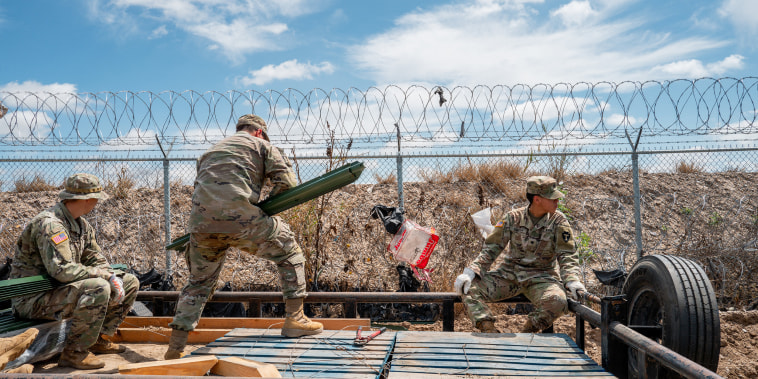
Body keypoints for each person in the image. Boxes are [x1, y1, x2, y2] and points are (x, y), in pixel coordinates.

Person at [165, 114, 322, 360]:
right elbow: (288, 184)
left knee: (198, 283)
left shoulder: (209, 153)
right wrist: (266, 206)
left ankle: (175, 347)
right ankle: (295, 320)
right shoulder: (263, 146)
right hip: (243, 220)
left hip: (201, 225)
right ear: (259, 132)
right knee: (290, 252)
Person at [10, 173, 139, 369]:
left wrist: (113, 276)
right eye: (95, 198)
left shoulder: (81, 225)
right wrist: (105, 276)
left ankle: (96, 339)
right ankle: (74, 353)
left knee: (129, 282)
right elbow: (61, 269)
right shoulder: (51, 225)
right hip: (32, 298)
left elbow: (94, 257)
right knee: (98, 287)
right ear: (84, 199)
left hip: (56, 291)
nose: (97, 202)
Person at [454, 176, 586, 333]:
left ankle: (527, 333)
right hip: (509, 275)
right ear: (537, 199)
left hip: (542, 278)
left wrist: (572, 280)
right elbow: (492, 248)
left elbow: (567, 254)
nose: (557, 201)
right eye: (552, 198)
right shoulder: (513, 218)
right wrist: (471, 272)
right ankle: (488, 330)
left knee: (557, 301)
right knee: (468, 288)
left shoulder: (558, 221)